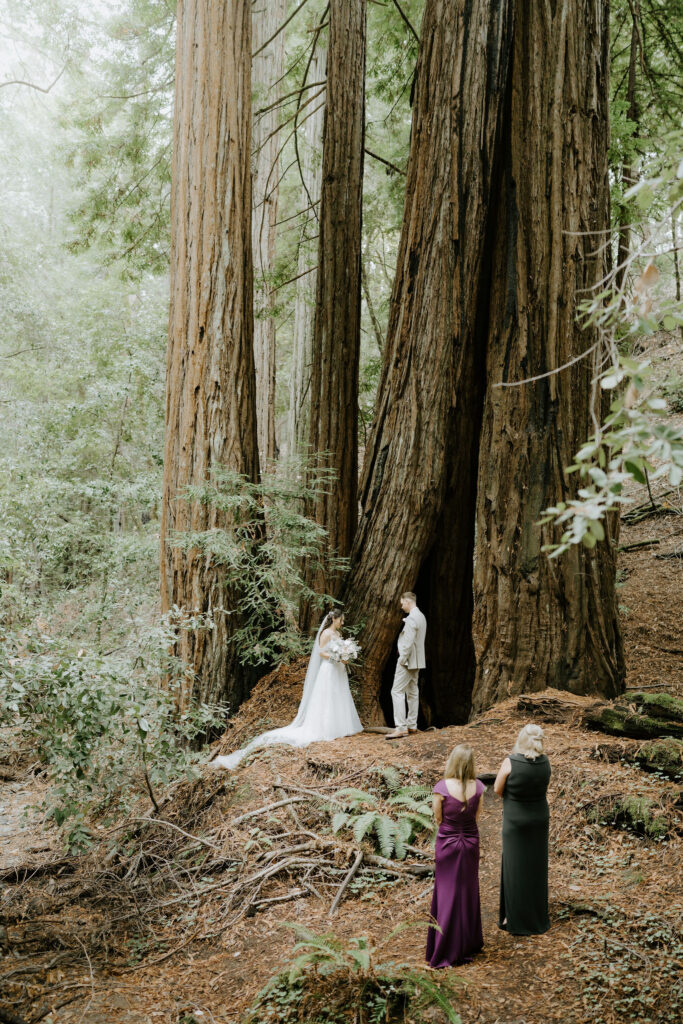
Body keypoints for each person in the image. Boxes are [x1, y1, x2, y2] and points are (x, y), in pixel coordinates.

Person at [212, 607, 362, 769]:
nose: (343, 622)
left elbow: (340, 650)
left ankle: (341, 725)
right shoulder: (326, 633)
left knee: (338, 695)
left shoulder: (338, 635)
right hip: (328, 669)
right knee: (328, 697)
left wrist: (345, 655)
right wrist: (336, 656)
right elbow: (320, 653)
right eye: (341, 620)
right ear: (334, 619)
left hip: (338, 669)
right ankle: (326, 727)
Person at [426, 744, 485, 968]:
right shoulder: (479, 787)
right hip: (470, 843)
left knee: (447, 893)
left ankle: (444, 948)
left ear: (452, 761)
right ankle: (467, 942)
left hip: (448, 844)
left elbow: (438, 818)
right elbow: (477, 817)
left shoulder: (441, 787)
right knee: (467, 891)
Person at [494, 723, 551, 935]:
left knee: (515, 868)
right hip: (539, 820)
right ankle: (537, 917)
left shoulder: (510, 762)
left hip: (515, 822)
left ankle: (515, 918)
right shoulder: (545, 763)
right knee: (535, 868)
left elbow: (498, 789)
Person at [385, 591, 427, 740]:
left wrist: (402, 659)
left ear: (408, 602)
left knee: (396, 691)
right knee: (413, 692)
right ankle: (412, 725)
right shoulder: (421, 616)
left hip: (407, 661)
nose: (402, 606)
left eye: (402, 603)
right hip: (417, 661)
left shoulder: (411, 619)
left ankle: (401, 727)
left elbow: (408, 642)